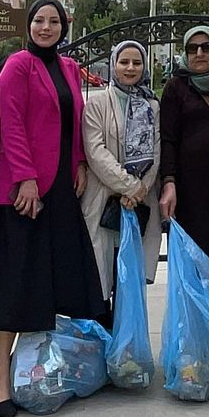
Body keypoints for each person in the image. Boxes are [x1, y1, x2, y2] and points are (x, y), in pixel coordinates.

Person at [0, 0, 105, 417]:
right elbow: (11, 121)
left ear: (64, 26)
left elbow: (74, 122)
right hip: (24, 189)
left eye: (54, 21)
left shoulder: (70, 68)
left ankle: (43, 366)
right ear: (28, 25)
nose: (46, 27)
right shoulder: (18, 64)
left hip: (61, 189)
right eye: (39, 20)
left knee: (54, 277)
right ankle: (0, 374)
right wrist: (26, 177)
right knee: (16, 278)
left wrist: (80, 162)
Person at [82, 40, 163, 313]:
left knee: (129, 284)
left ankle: (127, 350)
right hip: (104, 199)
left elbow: (156, 149)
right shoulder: (97, 103)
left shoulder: (151, 105)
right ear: (114, 64)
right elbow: (96, 153)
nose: (130, 68)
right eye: (124, 61)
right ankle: (102, 348)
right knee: (101, 281)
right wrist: (130, 186)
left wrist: (142, 189)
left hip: (138, 203)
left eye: (137, 62)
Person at [158, 26, 209, 263]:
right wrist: (169, 181)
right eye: (192, 48)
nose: (199, 53)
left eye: (207, 47)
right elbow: (167, 138)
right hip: (189, 186)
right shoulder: (176, 87)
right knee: (193, 252)